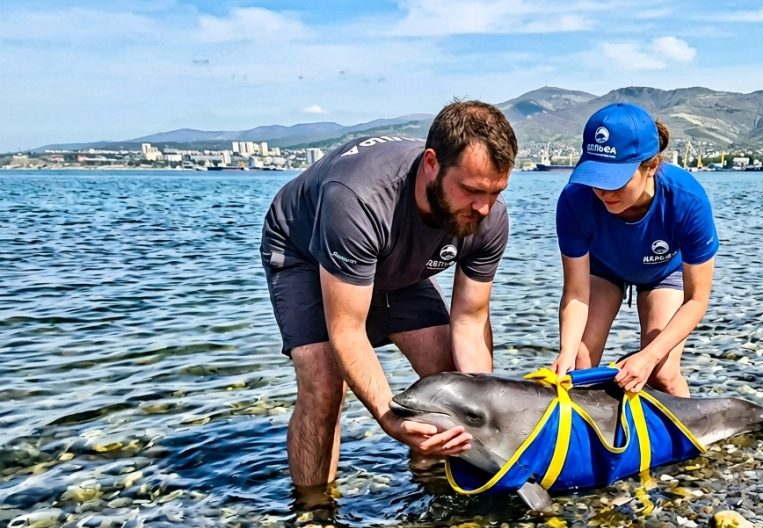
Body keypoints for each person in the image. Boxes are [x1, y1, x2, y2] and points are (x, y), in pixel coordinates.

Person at [259, 100, 517, 501]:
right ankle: (314, 511)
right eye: (471, 190)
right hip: (306, 252)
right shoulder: (357, 198)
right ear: (431, 163)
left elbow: (469, 318)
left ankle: (429, 474)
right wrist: (387, 416)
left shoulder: (488, 217)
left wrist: (482, 407)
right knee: (326, 385)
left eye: (495, 192)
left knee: (447, 376)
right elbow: (347, 330)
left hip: (396, 260)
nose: (483, 207)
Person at [551, 103, 718, 397]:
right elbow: (576, 292)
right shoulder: (574, 200)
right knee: (578, 366)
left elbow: (696, 300)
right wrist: (566, 350)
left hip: (662, 273)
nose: (602, 191)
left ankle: (691, 440)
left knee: (661, 374)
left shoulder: (687, 200)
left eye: (615, 181)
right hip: (604, 271)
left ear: (651, 166)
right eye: (594, 177)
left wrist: (649, 357)